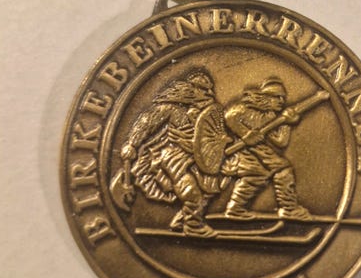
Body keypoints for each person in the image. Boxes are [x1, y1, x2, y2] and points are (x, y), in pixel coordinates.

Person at [120, 69, 221, 238]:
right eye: (204, 89)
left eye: (209, 89)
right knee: (190, 190)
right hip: (170, 156)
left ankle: (181, 220)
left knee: (209, 189)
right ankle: (193, 225)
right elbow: (146, 123)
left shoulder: (206, 110)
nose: (209, 93)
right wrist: (132, 143)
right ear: (192, 89)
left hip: (195, 155)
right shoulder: (170, 107)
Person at [222, 77, 311, 220]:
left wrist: (286, 124)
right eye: (277, 97)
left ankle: (236, 209)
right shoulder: (244, 109)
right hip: (242, 151)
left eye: (283, 98)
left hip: (262, 151)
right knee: (273, 171)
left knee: (263, 174)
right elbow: (229, 117)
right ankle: (288, 208)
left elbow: (281, 142)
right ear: (265, 97)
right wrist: (245, 134)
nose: (281, 101)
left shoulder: (272, 116)